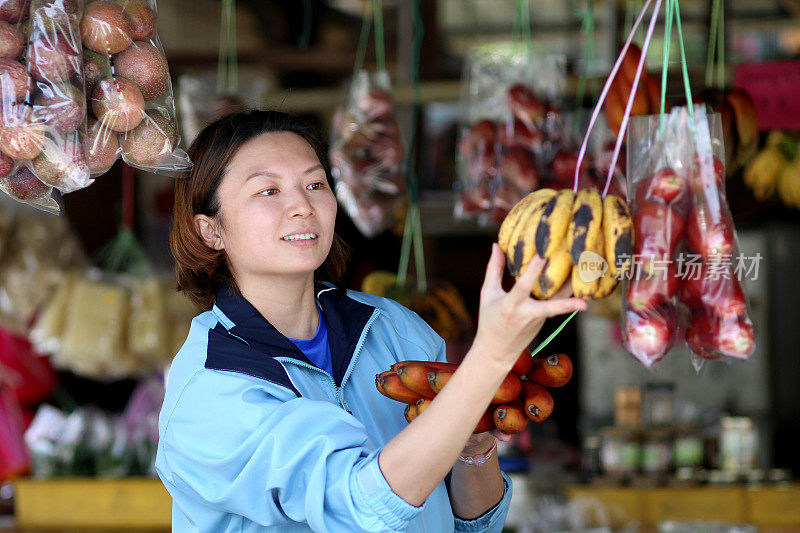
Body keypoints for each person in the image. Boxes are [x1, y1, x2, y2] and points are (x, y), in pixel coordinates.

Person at [155, 110, 586, 532]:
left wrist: (473, 446)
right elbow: (361, 507)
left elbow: (471, 525)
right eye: (268, 191)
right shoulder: (210, 389)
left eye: (315, 183)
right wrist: (490, 357)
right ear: (211, 230)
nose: (303, 206)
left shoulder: (394, 330)